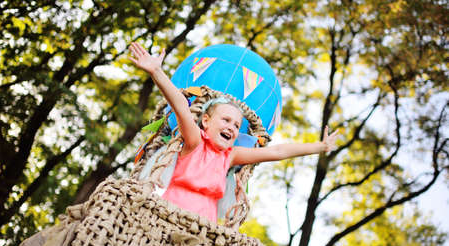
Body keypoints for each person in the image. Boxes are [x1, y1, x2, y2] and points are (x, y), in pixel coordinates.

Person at [129, 42, 338, 223]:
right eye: (226, 120)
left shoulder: (231, 157)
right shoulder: (194, 142)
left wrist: (320, 146)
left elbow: (278, 152)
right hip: (168, 216)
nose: (231, 127)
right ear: (206, 121)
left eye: (237, 126)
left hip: (201, 230)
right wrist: (156, 72)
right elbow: (181, 106)